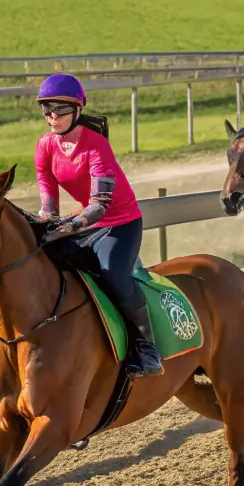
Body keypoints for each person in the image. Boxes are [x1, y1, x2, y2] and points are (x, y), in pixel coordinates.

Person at [34, 73, 162, 377]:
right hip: (83, 223)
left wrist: (70, 226)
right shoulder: (44, 146)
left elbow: (99, 205)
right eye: (47, 109)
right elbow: (48, 206)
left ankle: (147, 346)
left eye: (61, 109)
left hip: (120, 224)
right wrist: (43, 223)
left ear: (78, 110)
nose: (53, 117)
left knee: (113, 276)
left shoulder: (96, 145)